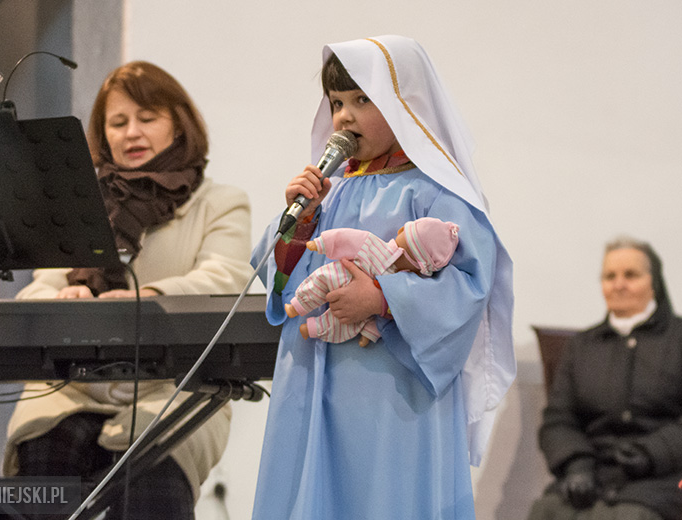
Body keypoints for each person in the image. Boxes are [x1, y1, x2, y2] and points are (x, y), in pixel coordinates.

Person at [250, 35, 515, 519]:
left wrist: (382, 297)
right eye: (336, 102)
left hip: (391, 391)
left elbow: (470, 288)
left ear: (406, 107)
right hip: (313, 379)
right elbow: (279, 280)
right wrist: (299, 222)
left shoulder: (436, 192)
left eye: (362, 100)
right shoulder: (329, 191)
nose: (344, 116)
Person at [2, 61, 253, 519]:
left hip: (173, 390)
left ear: (179, 123)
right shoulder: (80, 203)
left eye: (147, 117)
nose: (131, 132)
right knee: (40, 474)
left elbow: (225, 280)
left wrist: (148, 296)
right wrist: (64, 299)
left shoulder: (220, 202)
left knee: (151, 485)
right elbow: (36, 292)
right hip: (70, 388)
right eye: (118, 123)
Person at [528, 237, 682, 520]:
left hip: (663, 475)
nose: (618, 284)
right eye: (609, 276)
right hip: (592, 472)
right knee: (546, 512)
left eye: (631, 275)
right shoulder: (582, 346)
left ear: (654, 282)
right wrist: (576, 464)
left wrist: (651, 454)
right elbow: (559, 419)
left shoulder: (678, 338)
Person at [285, 217, 460, 347]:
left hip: (360, 315)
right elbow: (346, 239)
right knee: (322, 280)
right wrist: (322, 242)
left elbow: (384, 319)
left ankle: (311, 328)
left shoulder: (399, 281)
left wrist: (377, 307)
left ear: (401, 231)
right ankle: (298, 306)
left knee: (347, 323)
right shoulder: (374, 247)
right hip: (340, 274)